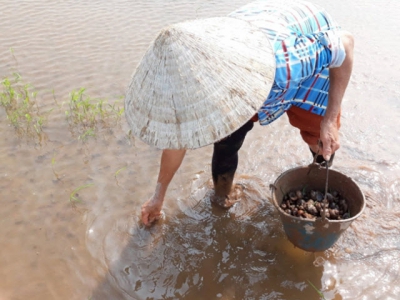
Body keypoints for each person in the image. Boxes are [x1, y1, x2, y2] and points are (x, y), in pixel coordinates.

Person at [129, 0, 354, 226]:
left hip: (301, 46)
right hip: (253, 42)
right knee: (226, 139)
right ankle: (222, 195)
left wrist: (330, 121)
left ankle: (318, 178)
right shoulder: (187, 86)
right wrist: (158, 196)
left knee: (321, 137)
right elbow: (178, 141)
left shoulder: (289, 63)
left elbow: (346, 43)